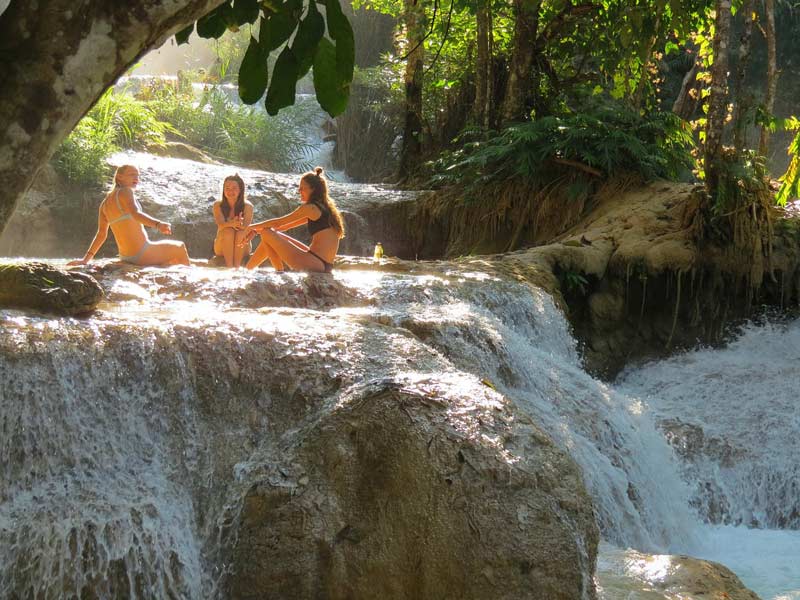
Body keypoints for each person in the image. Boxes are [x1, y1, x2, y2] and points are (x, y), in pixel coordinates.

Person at [68, 165, 190, 267]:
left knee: (170, 260)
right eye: (132, 174)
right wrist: (158, 224)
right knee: (179, 247)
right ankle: (188, 283)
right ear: (119, 177)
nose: (136, 178)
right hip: (142, 253)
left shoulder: (104, 204)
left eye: (138, 175)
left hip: (126, 256)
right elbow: (136, 214)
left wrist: (85, 260)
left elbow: (101, 234)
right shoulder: (125, 191)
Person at [242, 167, 344, 272]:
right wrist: (255, 231)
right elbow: (283, 227)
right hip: (323, 263)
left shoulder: (310, 208)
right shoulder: (325, 208)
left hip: (314, 262)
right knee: (268, 235)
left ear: (313, 189)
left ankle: (279, 271)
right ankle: (248, 269)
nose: (299, 191)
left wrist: (249, 227)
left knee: (266, 232)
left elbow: (278, 222)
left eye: (302, 188)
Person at [212, 173, 253, 268]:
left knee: (240, 232)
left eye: (234, 188)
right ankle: (229, 267)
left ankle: (237, 267)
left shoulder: (248, 206)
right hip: (221, 246)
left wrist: (239, 223)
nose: (230, 191)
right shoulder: (217, 205)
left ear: (240, 190)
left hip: (243, 246)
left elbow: (245, 227)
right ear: (223, 190)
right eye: (227, 188)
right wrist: (231, 223)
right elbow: (221, 225)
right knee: (228, 231)